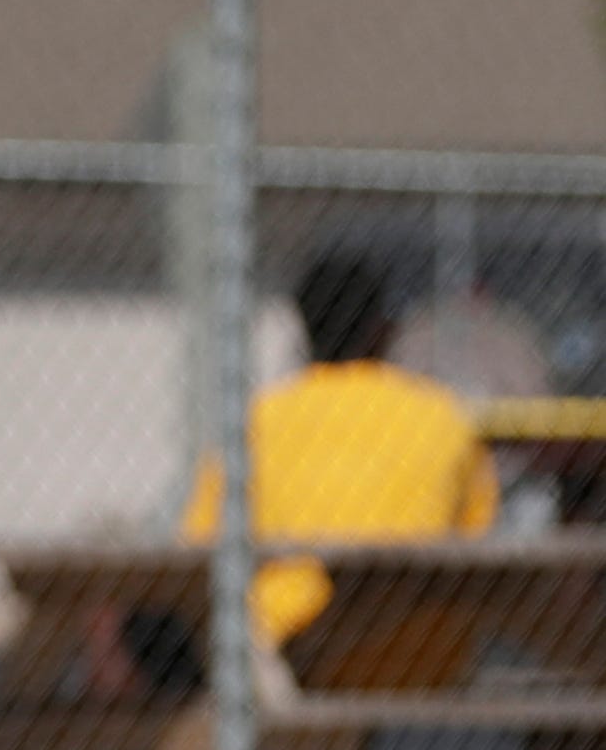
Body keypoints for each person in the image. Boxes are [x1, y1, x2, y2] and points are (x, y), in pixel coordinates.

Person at [176, 251, 497, 676]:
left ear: (304, 330)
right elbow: (479, 536)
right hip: (419, 661)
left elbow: (198, 544)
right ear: (381, 328)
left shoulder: (258, 423)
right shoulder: (441, 416)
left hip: (290, 658)